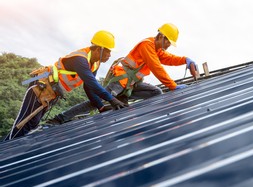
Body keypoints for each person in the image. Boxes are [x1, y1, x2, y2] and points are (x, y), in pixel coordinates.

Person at [47, 23, 197, 125]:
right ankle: (60, 119)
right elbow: (156, 67)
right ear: (161, 37)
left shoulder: (158, 50)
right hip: (120, 81)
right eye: (168, 42)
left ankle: (126, 110)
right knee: (96, 102)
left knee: (155, 92)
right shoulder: (147, 45)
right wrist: (172, 86)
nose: (168, 45)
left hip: (132, 85)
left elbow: (168, 59)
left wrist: (185, 60)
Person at [4, 30, 128, 141]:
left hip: (51, 93)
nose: (109, 55)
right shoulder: (80, 59)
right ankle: (5, 152)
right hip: (40, 88)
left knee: (32, 124)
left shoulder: (94, 64)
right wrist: (112, 100)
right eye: (108, 51)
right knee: (23, 124)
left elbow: (88, 87)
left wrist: (100, 107)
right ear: (99, 49)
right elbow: (92, 83)